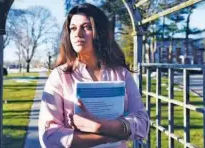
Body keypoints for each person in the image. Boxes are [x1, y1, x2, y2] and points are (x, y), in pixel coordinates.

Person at [38, 3, 149, 148]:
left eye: (86, 27)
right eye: (73, 28)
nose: (77, 34)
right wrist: (107, 136)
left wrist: (101, 126)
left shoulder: (120, 73)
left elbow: (142, 123)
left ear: (100, 32)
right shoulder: (59, 76)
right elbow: (49, 136)